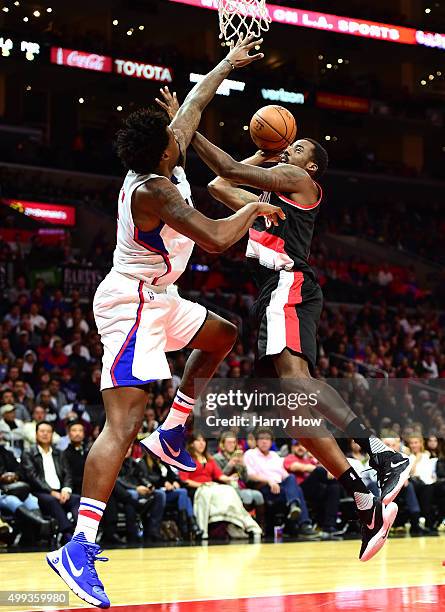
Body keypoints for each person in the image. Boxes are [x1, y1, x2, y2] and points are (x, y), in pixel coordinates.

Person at [45, 36, 281, 609]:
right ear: (162, 155)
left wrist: (227, 62)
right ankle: (79, 545)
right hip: (130, 306)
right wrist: (253, 205)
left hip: (162, 295)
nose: (181, 137)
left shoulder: (159, 158)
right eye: (173, 138)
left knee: (222, 334)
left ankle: (173, 430)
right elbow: (220, 240)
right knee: (120, 425)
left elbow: (195, 103)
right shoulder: (153, 191)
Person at [189, 112, 412, 561]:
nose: (287, 152)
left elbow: (228, 171)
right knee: (282, 407)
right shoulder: (271, 195)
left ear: (309, 167)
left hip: (289, 284)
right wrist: (263, 152)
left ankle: (381, 453)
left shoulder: (297, 180)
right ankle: (363, 496)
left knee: (295, 382)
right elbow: (216, 188)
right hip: (270, 293)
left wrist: (188, 125)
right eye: (288, 147)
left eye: (295, 149)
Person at [179, 433, 261, 540]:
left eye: (203, 441)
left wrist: (229, 479)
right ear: (191, 444)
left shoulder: (209, 459)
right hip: (196, 488)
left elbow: (219, 475)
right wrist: (202, 484)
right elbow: (184, 480)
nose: (201, 443)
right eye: (198, 441)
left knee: (229, 490)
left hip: (211, 486)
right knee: (208, 493)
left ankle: (234, 521)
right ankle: (205, 530)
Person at [243, 428, 318, 539]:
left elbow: (284, 475)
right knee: (298, 490)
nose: (264, 442)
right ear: (257, 441)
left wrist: (291, 485)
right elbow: (250, 475)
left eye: (267, 439)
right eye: (261, 439)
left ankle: (294, 507)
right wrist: (269, 481)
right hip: (264, 487)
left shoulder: (274, 455)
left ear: (271, 441)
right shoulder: (250, 454)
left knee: (292, 480)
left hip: (280, 487)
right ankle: (304, 524)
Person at [21, 421, 80, 543]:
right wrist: (51, 491)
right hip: (40, 492)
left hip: (60, 491)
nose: (45, 434)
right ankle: (67, 534)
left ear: (52, 434)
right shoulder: (29, 453)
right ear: (36, 434)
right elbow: (33, 477)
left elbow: (67, 474)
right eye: (42, 431)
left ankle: (79, 532)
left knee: (76, 498)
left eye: (48, 432)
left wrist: (66, 490)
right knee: (52, 501)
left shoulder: (59, 453)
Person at [138, 453, 203, 540]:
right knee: (183, 495)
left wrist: (175, 481)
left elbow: (173, 476)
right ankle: (189, 528)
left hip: (166, 492)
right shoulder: (143, 462)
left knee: (183, 493)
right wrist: (163, 483)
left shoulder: (163, 461)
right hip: (154, 493)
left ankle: (189, 526)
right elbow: (145, 479)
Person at [284, 439, 341, 536]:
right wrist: (323, 469)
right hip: (300, 490)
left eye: (302, 445)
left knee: (334, 487)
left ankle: (329, 526)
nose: (300, 447)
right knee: (320, 471)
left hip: (315, 490)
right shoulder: (290, 457)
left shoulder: (310, 459)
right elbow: (297, 467)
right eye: (297, 445)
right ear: (292, 448)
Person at [213, 431, 265, 531]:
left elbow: (245, 479)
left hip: (241, 487)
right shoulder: (217, 458)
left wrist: (244, 466)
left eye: (233, 442)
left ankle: (261, 526)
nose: (231, 445)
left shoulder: (238, 457)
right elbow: (218, 477)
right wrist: (230, 465)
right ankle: (243, 525)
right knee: (248, 496)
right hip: (226, 488)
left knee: (258, 495)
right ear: (222, 445)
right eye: (228, 442)